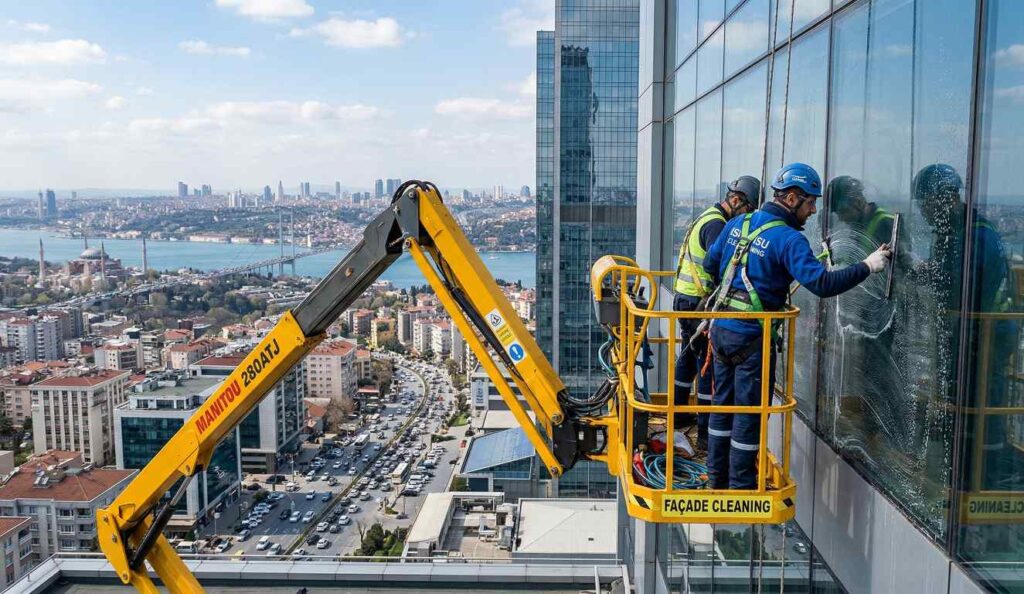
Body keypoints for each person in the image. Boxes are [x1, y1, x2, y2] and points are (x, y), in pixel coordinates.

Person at [702, 163, 892, 489]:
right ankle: (741, 485)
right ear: (791, 199)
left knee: (723, 405)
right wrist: (867, 266)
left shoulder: (737, 224)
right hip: (752, 339)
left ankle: (716, 476)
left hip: (721, 332)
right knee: (748, 413)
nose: (814, 210)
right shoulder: (788, 239)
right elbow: (821, 285)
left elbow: (710, 264)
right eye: (810, 202)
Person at [671, 175, 759, 453]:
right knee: (706, 367)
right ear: (736, 200)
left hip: (686, 298)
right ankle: (706, 432)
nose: (746, 217)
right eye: (747, 210)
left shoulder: (707, 216)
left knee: (687, 357)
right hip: (697, 302)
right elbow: (718, 265)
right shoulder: (717, 224)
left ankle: (679, 412)